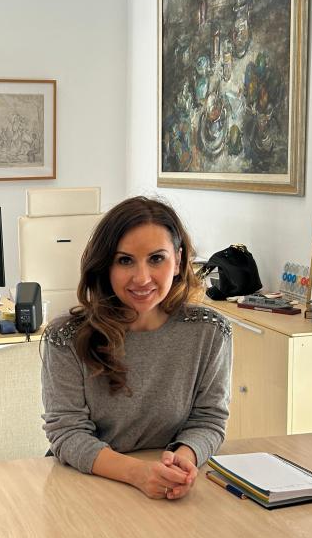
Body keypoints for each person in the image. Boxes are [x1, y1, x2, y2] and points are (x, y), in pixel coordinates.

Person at [41, 196, 232, 500]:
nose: (142, 278)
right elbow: (67, 433)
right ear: (106, 265)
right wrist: (138, 474)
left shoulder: (209, 332)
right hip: (82, 487)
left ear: (178, 260)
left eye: (157, 259)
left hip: (165, 488)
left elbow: (208, 419)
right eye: (125, 260)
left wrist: (184, 459)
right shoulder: (67, 336)